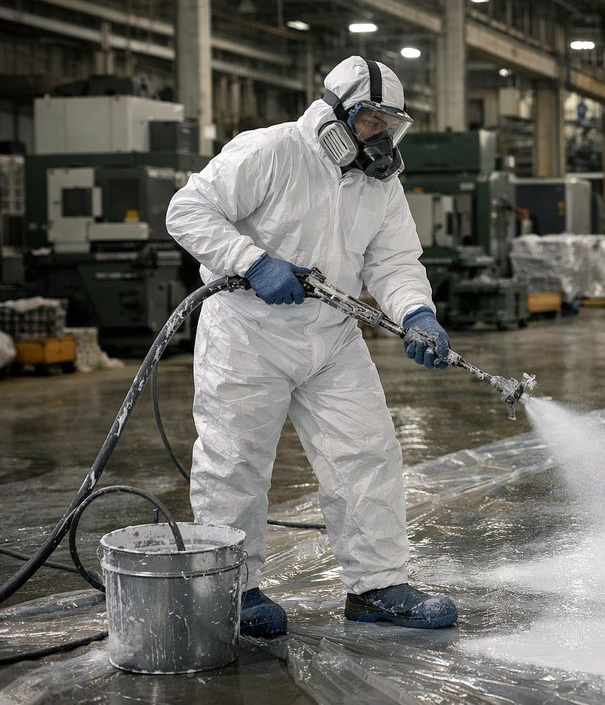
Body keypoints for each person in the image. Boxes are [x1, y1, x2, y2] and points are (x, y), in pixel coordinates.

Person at [166, 56, 457, 637]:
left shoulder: (382, 183)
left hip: (332, 336)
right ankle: (234, 589)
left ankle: (377, 586)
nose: (380, 136)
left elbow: (394, 261)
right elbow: (188, 211)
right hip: (249, 334)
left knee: (367, 452)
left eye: (390, 125)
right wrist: (254, 262)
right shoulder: (271, 151)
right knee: (236, 462)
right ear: (335, 113)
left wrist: (416, 312)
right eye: (371, 120)